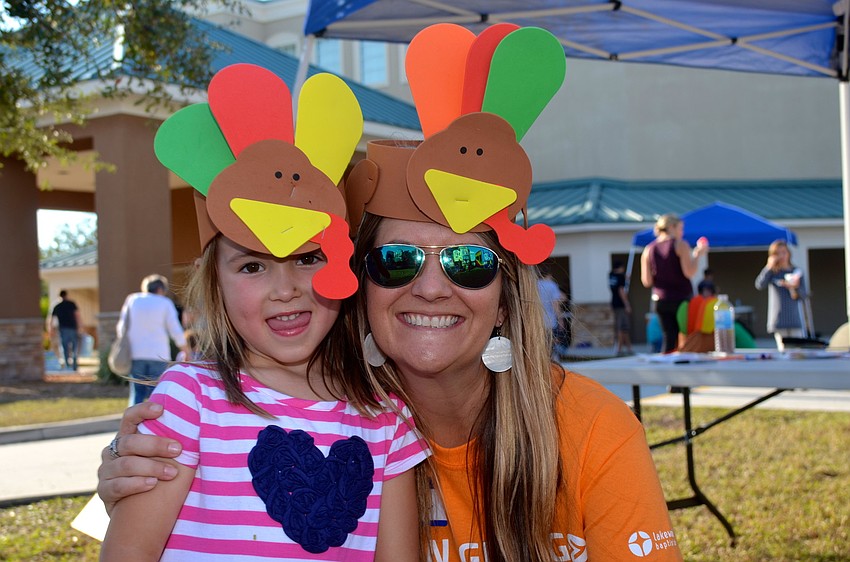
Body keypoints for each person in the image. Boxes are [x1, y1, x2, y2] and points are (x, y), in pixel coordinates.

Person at [97, 25, 682, 561]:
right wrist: (127, 474)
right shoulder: (223, 404)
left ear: (506, 294)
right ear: (361, 281)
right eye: (397, 261)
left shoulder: (588, 432)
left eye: (470, 262)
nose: (430, 288)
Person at [99, 64, 427, 561]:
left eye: (308, 257)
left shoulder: (387, 419)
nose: (285, 289)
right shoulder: (190, 402)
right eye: (252, 266)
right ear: (215, 283)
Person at [640, 214, 708, 353]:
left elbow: (647, 282)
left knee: (668, 338)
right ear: (672, 227)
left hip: (660, 301)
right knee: (685, 338)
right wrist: (697, 255)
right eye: (681, 228)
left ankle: (666, 370)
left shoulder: (648, 249)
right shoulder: (680, 245)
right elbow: (689, 272)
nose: (682, 232)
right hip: (681, 300)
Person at [117, 273, 188, 405]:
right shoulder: (165, 303)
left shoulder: (133, 299)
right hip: (158, 354)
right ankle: (154, 424)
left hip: (136, 353)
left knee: (137, 392)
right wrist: (185, 349)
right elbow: (174, 329)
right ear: (161, 289)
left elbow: (122, 327)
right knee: (156, 393)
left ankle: (133, 422)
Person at [754, 239, 807, 350]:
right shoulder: (773, 273)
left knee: (798, 350)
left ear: (789, 253)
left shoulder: (796, 272)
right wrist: (768, 267)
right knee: (784, 350)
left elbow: (803, 295)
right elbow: (759, 285)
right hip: (779, 320)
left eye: (784, 252)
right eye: (777, 253)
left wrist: (794, 287)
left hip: (795, 319)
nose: (781, 256)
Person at [49, 289, 83, 371]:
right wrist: (80, 327)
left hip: (63, 329)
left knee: (65, 348)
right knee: (74, 346)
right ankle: (74, 364)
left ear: (59, 296)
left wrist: (51, 330)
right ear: (66, 295)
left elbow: (51, 319)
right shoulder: (71, 304)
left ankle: (68, 366)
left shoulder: (57, 306)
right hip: (73, 328)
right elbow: (77, 316)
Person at [537, 268, 566, 358]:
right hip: (550, 321)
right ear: (549, 275)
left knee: (540, 346)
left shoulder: (535, 285)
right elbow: (555, 305)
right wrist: (560, 319)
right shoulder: (552, 286)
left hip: (537, 321)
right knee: (551, 346)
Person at [608, 261, 633, 355]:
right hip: (621, 304)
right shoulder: (620, 277)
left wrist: (625, 277)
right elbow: (621, 290)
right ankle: (619, 349)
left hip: (614, 302)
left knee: (622, 326)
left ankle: (628, 348)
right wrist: (627, 304)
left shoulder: (611, 275)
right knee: (622, 326)